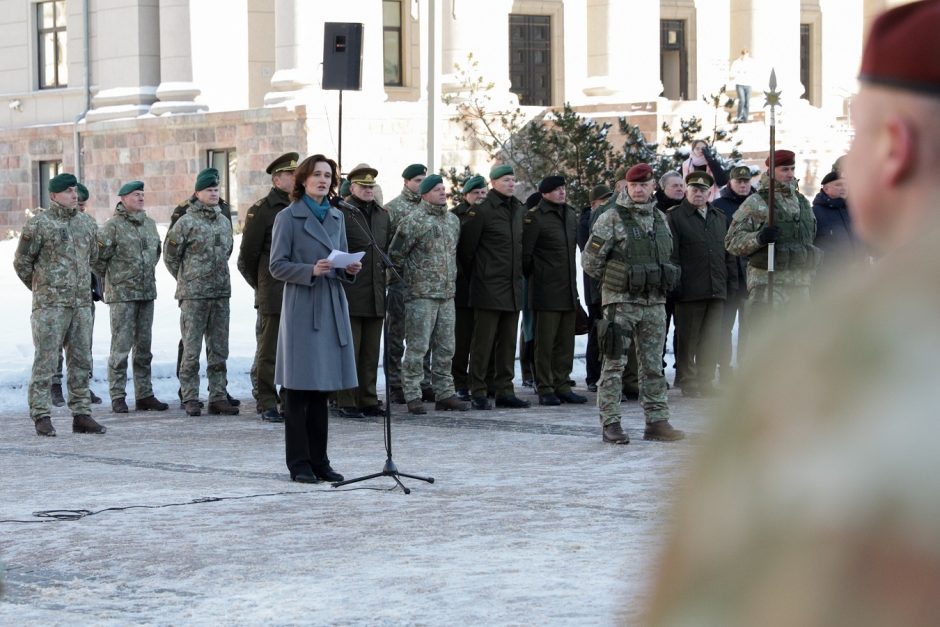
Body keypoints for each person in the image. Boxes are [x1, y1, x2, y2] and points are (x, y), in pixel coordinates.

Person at [646, 2, 940, 622]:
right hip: (773, 294)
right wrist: (764, 238)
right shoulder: (766, 218)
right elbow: (737, 242)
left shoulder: (856, 347)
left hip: (805, 296)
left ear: (897, 147)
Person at [269, 154, 362, 483]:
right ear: (303, 180)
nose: (323, 180)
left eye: (328, 176)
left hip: (331, 302)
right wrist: (310, 269)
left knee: (322, 390)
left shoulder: (337, 216)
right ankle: (299, 463)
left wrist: (348, 268)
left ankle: (320, 460)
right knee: (299, 390)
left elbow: (341, 257)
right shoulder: (288, 217)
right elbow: (276, 266)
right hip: (303, 306)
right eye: (317, 175)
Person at [582, 163, 684, 444]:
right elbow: (590, 262)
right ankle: (611, 423)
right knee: (614, 364)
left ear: (654, 187)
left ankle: (657, 421)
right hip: (622, 302)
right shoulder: (611, 217)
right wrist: (619, 280)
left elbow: (667, 253)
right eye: (634, 185)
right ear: (626, 187)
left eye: (644, 184)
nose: (639, 190)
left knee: (653, 365)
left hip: (654, 302)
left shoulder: (660, 218)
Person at [14, 173, 106, 436]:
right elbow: (22, 263)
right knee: (46, 359)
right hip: (50, 305)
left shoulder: (87, 223)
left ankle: (82, 414)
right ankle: (41, 415)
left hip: (80, 304)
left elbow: (94, 257)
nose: (74, 195)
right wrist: (42, 288)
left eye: (75, 191)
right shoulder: (39, 225)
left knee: (81, 360)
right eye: (67, 191)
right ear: (53, 196)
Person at [389, 174, 469, 414]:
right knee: (417, 347)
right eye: (436, 189)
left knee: (446, 347)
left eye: (444, 189)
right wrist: (409, 283)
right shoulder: (412, 221)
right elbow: (395, 256)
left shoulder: (453, 221)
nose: (442, 193)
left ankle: (445, 393)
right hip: (420, 295)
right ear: (424, 194)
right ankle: (412, 394)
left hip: (446, 295)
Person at [164, 168, 239, 417]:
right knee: (192, 348)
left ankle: (217, 396)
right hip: (194, 295)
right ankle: (190, 396)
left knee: (219, 349)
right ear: (197, 193)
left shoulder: (223, 221)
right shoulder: (185, 221)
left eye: (217, 190)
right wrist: (187, 278)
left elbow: (227, 252)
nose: (214, 194)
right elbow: (171, 256)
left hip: (219, 293)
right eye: (209, 190)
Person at [457, 164, 530, 410]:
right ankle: (477, 389)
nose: (511, 184)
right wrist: (482, 274)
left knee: (507, 343)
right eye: (506, 180)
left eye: (513, 180)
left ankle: (504, 390)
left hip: (512, 287)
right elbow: (467, 252)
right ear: (493, 183)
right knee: (483, 342)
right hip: (487, 287)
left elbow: (522, 247)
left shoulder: (518, 210)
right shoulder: (482, 212)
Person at [94, 180, 168, 413]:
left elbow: (156, 252)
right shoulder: (112, 227)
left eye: (142, 194)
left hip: (146, 292)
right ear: (123, 199)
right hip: (122, 295)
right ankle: (117, 395)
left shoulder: (149, 224)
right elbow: (98, 259)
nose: (140, 198)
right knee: (121, 347)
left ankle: (144, 394)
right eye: (135, 194)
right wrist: (114, 280)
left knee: (144, 347)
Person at [725, 149, 821, 322]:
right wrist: (759, 238)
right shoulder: (757, 202)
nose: (790, 174)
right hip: (769, 286)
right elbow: (732, 241)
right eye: (784, 169)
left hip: (800, 286)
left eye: (792, 169)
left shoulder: (802, 202)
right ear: (771, 171)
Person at [237, 152, 297, 421]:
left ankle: (290, 400)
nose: (297, 179)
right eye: (291, 175)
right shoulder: (262, 210)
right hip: (273, 292)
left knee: (294, 350)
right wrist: (262, 285)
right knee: (269, 351)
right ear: (276, 179)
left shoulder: (301, 206)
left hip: (299, 290)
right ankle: (266, 401)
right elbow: (247, 257)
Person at [666, 171, 737, 397]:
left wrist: (731, 281)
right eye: (694, 189)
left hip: (716, 288)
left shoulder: (719, 217)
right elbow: (672, 254)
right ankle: (688, 380)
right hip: (689, 289)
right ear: (687, 191)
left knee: (711, 338)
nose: (698, 194)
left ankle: (705, 380)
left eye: (703, 190)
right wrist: (675, 285)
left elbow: (729, 253)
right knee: (688, 338)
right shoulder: (675, 217)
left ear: (710, 192)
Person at [522, 175, 587, 406]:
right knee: (545, 343)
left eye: (563, 188)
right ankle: (545, 386)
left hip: (568, 289)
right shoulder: (535, 217)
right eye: (557, 189)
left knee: (565, 343)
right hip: (544, 291)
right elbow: (525, 257)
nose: (562, 192)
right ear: (545, 193)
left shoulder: (569, 214)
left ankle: (562, 383)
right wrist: (540, 276)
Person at [334, 163, 390, 418]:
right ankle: (345, 399)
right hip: (350, 292)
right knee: (349, 350)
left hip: (376, 293)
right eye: (363, 186)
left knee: (370, 352)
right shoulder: (342, 214)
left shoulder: (382, 215)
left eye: (371, 186)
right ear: (352, 187)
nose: (368, 190)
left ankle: (367, 397)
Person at [384, 163, 432, 404]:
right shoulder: (393, 209)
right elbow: (387, 247)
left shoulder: (431, 207)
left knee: (422, 336)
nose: (420, 184)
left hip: (424, 284)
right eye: (416, 180)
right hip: (400, 282)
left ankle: (423, 381)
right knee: (396, 335)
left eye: (424, 180)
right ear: (406, 182)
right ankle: (395, 383)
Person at [711, 164, 754, 381]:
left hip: (752, 275)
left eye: (747, 181)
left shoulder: (760, 203)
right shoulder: (719, 205)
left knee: (750, 326)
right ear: (731, 182)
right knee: (724, 326)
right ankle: (725, 367)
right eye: (739, 181)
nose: (744, 185)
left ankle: (747, 367)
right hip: (728, 275)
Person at [451, 174, 488, 400]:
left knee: (481, 339)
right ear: (466, 195)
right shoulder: (455, 216)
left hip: (486, 286)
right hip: (464, 285)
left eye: (484, 193)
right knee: (461, 338)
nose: (481, 196)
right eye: (476, 193)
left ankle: (480, 381)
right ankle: (459, 381)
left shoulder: (491, 214)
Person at [578, 183, 613, 392]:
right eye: (604, 200)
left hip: (608, 286)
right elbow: (590, 254)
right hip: (594, 287)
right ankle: (593, 376)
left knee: (609, 333)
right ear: (594, 203)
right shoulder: (586, 222)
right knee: (596, 331)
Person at [812, 169, 862, 283]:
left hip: (857, 278)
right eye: (838, 185)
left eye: (846, 185)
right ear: (826, 189)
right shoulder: (815, 213)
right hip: (829, 279)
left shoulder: (854, 211)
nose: (843, 188)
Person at [729, 49, 755, 122]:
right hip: (739, 84)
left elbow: (754, 72)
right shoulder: (736, 63)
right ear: (741, 55)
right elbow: (731, 73)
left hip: (748, 84)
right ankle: (739, 117)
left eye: (746, 56)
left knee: (747, 102)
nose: (745, 58)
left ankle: (745, 118)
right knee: (742, 100)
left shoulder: (751, 62)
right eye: (744, 56)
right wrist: (737, 74)